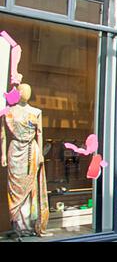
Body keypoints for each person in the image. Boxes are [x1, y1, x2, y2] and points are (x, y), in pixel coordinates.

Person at [1, 84, 51, 238]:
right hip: (15, 149)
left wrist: (41, 154)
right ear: (18, 92)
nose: (27, 92)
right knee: (14, 188)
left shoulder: (36, 112)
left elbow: (39, 133)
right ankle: (17, 224)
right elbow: (2, 134)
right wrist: (2, 154)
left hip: (32, 151)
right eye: (24, 90)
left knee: (31, 187)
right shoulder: (8, 112)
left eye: (29, 90)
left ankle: (29, 225)